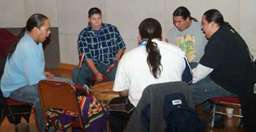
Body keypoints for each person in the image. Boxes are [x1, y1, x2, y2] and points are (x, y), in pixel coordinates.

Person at [111, 18, 189, 132]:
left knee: (114, 106)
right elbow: (187, 82)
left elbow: (123, 92)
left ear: (139, 36)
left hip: (142, 114)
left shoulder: (127, 57)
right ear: (161, 35)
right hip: (174, 110)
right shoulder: (178, 52)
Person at [192, 9, 256, 131]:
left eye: (203, 24)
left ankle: (189, 122)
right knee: (193, 65)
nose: (202, 28)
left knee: (188, 91)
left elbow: (197, 75)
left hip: (232, 86)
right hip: (242, 79)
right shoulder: (226, 28)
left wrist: (183, 80)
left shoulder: (218, 41)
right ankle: (212, 114)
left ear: (213, 24)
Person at [0, 14, 52, 132]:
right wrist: (48, 81)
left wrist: (42, 73)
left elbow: (32, 69)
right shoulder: (27, 47)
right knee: (44, 96)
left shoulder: (34, 40)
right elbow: (36, 82)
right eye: (47, 29)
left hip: (26, 81)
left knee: (65, 84)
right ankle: (46, 129)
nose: (49, 32)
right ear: (35, 30)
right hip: (15, 88)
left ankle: (54, 121)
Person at [72, 7, 126, 86]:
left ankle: (118, 96)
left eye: (99, 18)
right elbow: (87, 57)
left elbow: (121, 46)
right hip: (92, 65)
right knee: (76, 72)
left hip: (110, 63)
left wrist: (116, 60)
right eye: (94, 19)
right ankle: (84, 94)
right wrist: (96, 73)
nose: (97, 21)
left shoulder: (112, 29)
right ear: (89, 19)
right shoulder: (83, 35)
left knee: (121, 75)